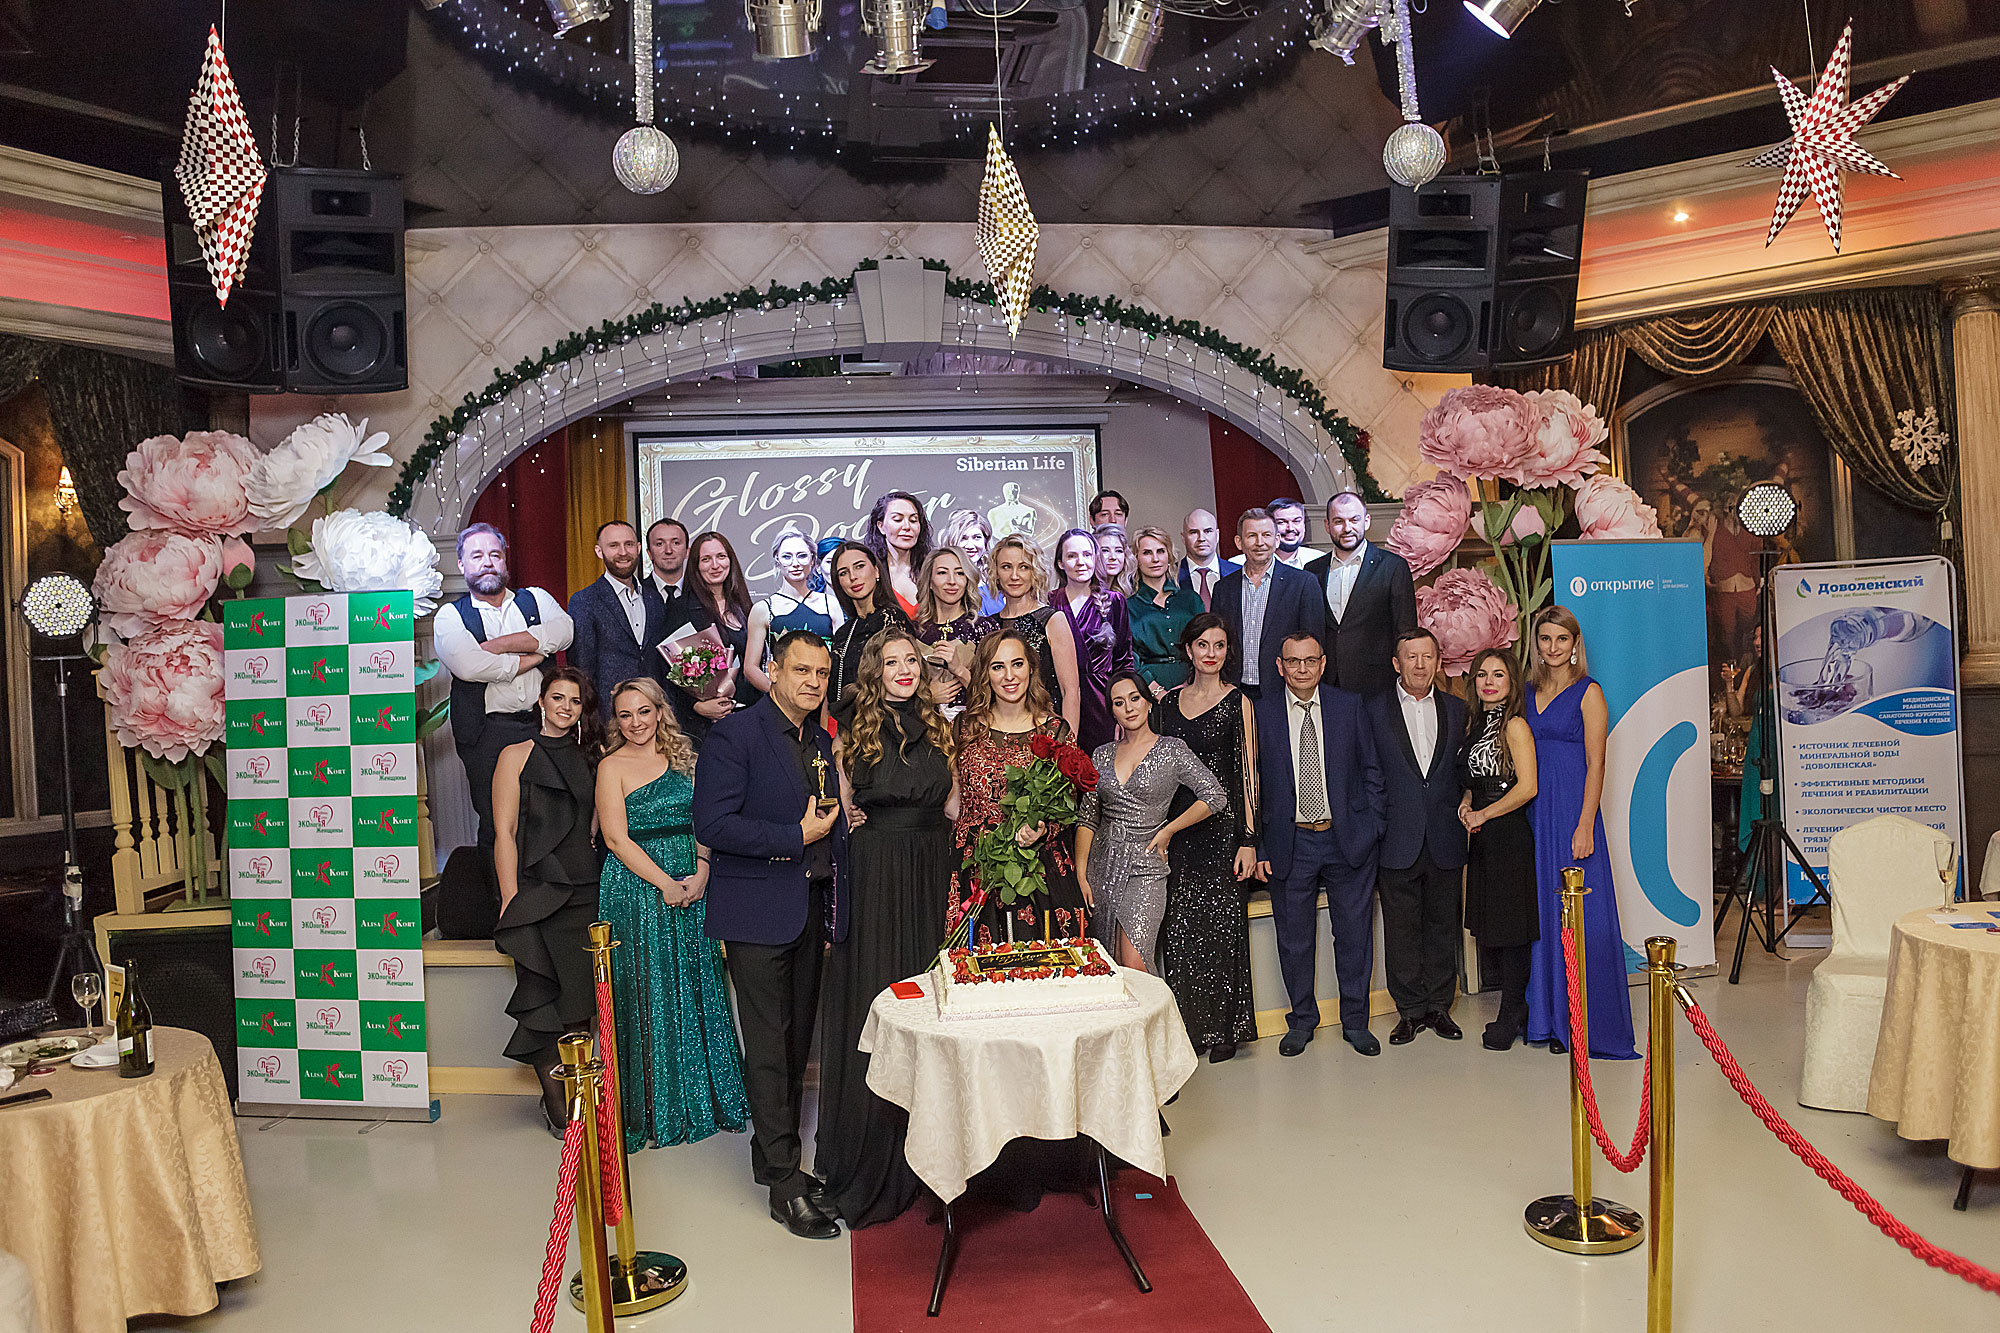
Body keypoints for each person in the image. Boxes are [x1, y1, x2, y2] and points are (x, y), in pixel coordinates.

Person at [692, 631, 848, 1239]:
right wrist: (794, 838)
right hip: (756, 915)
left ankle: (771, 1158)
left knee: (793, 1046)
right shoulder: (736, 735)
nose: (813, 682)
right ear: (773, 672)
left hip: (806, 910)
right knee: (767, 1049)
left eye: (822, 673)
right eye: (801, 670)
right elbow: (713, 824)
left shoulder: (818, 739)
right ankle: (786, 1187)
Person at [818, 629, 958, 1228]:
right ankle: (875, 1154)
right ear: (874, 671)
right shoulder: (853, 732)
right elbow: (839, 812)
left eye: (911, 661)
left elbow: (954, 809)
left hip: (932, 869)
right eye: (891, 661)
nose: (904, 669)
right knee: (881, 998)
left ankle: (939, 1159)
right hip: (878, 875)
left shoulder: (943, 728)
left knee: (932, 1004)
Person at [596, 677, 748, 1147]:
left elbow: (706, 819)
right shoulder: (610, 766)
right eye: (625, 715)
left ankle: (705, 1099)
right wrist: (665, 883)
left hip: (692, 879)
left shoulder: (687, 759)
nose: (636, 722)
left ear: (660, 711)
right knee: (649, 989)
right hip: (637, 888)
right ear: (616, 721)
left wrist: (702, 869)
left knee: (696, 983)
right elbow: (615, 838)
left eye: (644, 711)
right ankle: (654, 1107)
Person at [1254, 631, 1383, 1057]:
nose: (1302, 669)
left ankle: (1356, 1022)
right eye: (1293, 661)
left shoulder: (1349, 705)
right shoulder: (1261, 713)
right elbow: (1252, 785)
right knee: (1294, 940)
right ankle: (1302, 1021)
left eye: (1310, 660)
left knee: (1354, 936)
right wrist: (1260, 846)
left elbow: (1372, 769)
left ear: (1323, 663)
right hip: (1289, 840)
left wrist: (1372, 827)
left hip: (1348, 839)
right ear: (1280, 666)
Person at [492, 668, 603, 1133]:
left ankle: (578, 1099)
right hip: (536, 893)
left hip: (585, 892)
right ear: (541, 700)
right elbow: (504, 833)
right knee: (542, 996)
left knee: (580, 1003)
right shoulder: (515, 755)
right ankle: (558, 1107)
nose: (565, 707)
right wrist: (510, 898)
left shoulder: (592, 758)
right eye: (558, 697)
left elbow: (596, 827)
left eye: (575, 701)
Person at [1524, 607, 1637, 1059]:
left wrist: (1586, 822)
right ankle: (1548, 1019)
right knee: (1543, 914)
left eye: (1561, 639)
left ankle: (1584, 1023)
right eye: (1545, 639)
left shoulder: (1590, 693)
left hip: (1573, 812)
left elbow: (1597, 762)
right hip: (1535, 813)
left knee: (1579, 917)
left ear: (1575, 645)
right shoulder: (1528, 690)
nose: (1553, 647)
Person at [434, 522, 576, 848]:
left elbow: (565, 631)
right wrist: (535, 654)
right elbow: (469, 666)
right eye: (477, 556)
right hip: (486, 732)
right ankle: (501, 884)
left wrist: (498, 646)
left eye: (495, 555)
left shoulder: (536, 598)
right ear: (461, 565)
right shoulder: (449, 616)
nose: (487, 562)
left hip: (543, 726)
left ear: (505, 560)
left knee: (552, 820)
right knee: (497, 825)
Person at [1157, 614, 1260, 1061]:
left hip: (1222, 833)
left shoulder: (1239, 702)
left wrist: (1249, 840)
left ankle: (1225, 1031)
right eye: (1203, 645)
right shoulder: (1167, 704)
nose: (1211, 653)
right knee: (1180, 932)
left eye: (1219, 645)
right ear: (1189, 650)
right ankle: (1189, 1029)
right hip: (1177, 831)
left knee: (1222, 931)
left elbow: (1249, 774)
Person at [1076, 672, 1227, 972]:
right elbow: (1087, 817)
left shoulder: (1172, 750)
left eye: (1135, 698)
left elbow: (1215, 796)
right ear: (1112, 712)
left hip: (1146, 866)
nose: (1129, 707)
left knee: (1136, 962)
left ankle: (1156, 1007)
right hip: (1102, 866)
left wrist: (1169, 830)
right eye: (1119, 702)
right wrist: (1081, 872)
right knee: (1110, 963)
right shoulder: (1101, 755)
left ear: (1148, 703)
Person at [949, 629, 1088, 945]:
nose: (1009, 676)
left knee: (1044, 967)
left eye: (1017, 664)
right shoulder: (964, 727)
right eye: (997, 666)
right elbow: (952, 798)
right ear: (985, 673)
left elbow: (1068, 805)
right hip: (976, 869)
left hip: (1039, 870)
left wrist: (1043, 828)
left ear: (1031, 668)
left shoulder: (1055, 731)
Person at [1364, 629, 1468, 1045]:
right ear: (1397, 663)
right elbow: (1367, 773)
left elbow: (1463, 771)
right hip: (1396, 838)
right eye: (1411, 657)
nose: (1420, 665)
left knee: (1443, 926)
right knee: (1401, 930)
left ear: (1438, 662)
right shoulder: (1373, 710)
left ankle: (1440, 1007)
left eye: (1428, 656)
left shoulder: (1458, 710)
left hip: (1445, 836)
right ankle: (1409, 1011)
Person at [1456, 649, 1540, 1051]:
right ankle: (1512, 1009)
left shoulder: (1516, 725)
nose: (1489, 682)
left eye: (1498, 675)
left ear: (1512, 683)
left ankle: (1512, 1013)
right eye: (1482, 675)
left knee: (1512, 930)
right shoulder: (1474, 724)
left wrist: (1485, 814)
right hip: (1484, 835)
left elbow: (1528, 787)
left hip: (1508, 835)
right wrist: (1466, 803)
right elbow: (1476, 779)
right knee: (1495, 926)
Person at [1306, 491, 1417, 698]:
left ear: (1366, 521)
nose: (1347, 528)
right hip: (1326, 684)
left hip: (1378, 686)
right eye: (1338, 521)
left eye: (1354, 520)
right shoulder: (1312, 570)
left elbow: (1406, 631)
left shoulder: (1393, 567)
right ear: (1327, 525)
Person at [1212, 508, 1324, 702]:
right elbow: (1217, 641)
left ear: (1277, 540)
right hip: (1233, 691)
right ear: (1239, 542)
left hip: (1285, 691)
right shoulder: (1223, 588)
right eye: (1252, 536)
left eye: (1266, 535)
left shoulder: (1303, 583)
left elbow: (1313, 643)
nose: (1260, 542)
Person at [975, 533, 1081, 738]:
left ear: (1035, 572)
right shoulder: (988, 626)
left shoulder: (1052, 620)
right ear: (995, 573)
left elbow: (1070, 691)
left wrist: (1067, 744)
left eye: (1024, 567)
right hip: (998, 734)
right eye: (1006, 567)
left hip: (1046, 733)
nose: (1014, 576)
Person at [568, 520, 670, 718]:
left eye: (629, 544)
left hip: (655, 713)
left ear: (638, 548)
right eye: (613, 546)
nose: (623, 552)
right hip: (609, 715)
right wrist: (593, 719)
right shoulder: (584, 600)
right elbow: (582, 668)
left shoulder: (654, 598)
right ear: (599, 551)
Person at [1052, 527, 1137, 753]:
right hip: (1059, 702)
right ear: (1060, 563)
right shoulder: (1049, 603)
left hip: (1103, 704)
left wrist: (1123, 710)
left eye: (1087, 555)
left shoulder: (1114, 601)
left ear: (1095, 558)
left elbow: (1124, 661)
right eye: (1072, 556)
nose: (1081, 562)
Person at [670, 531, 752, 749]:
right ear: (696, 566)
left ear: (730, 560)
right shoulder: (681, 608)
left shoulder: (745, 606)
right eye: (706, 559)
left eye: (721, 556)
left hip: (747, 718)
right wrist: (696, 705)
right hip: (703, 728)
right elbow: (666, 671)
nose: (715, 565)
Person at [745, 526, 844, 696]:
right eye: (787, 557)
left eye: (802, 556)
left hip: (825, 698)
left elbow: (841, 659)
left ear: (812, 559)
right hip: (782, 702)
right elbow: (750, 668)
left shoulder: (830, 604)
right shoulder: (764, 609)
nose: (795, 563)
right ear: (777, 560)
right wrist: (780, 695)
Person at [827, 541, 912, 710]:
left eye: (859, 566)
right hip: (843, 719)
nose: (853, 577)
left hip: (880, 719)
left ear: (877, 571)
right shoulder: (844, 632)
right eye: (843, 572)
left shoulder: (891, 618)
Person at [1128, 525, 1203, 699]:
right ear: (1136, 559)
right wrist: (1155, 690)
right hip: (1146, 689)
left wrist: (1192, 683)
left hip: (1193, 685)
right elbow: (1130, 656)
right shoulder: (1128, 606)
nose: (1155, 559)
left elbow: (1204, 644)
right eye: (1147, 553)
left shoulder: (1191, 600)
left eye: (1160, 551)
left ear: (1169, 556)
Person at [912, 547, 979, 715]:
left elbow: (997, 694)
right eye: (942, 573)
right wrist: (926, 696)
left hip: (973, 725)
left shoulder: (983, 628)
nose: (952, 581)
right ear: (929, 582)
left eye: (960, 573)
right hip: (925, 726)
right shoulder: (914, 631)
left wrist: (959, 670)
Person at [863, 490, 931, 619]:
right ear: (881, 526)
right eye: (898, 519)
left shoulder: (930, 570)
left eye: (913, 520)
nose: (907, 526)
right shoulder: (871, 573)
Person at [937, 508, 1004, 614]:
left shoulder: (995, 577)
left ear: (985, 541)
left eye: (976, 537)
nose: (970, 545)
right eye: (963, 538)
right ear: (951, 541)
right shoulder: (942, 578)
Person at [1177, 507, 1239, 611]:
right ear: (1183, 538)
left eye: (1208, 531)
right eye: (1193, 532)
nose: (1201, 538)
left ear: (1217, 535)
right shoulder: (1170, 576)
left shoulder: (1239, 572)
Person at [1269, 496, 1314, 569]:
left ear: (1304, 525)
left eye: (1296, 521)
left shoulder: (1320, 561)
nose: (1290, 528)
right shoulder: (1251, 563)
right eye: (1281, 522)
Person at [1094, 523, 1135, 596]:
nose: (1113, 557)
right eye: (1105, 550)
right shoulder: (1086, 594)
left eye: (1119, 551)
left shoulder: (1124, 592)